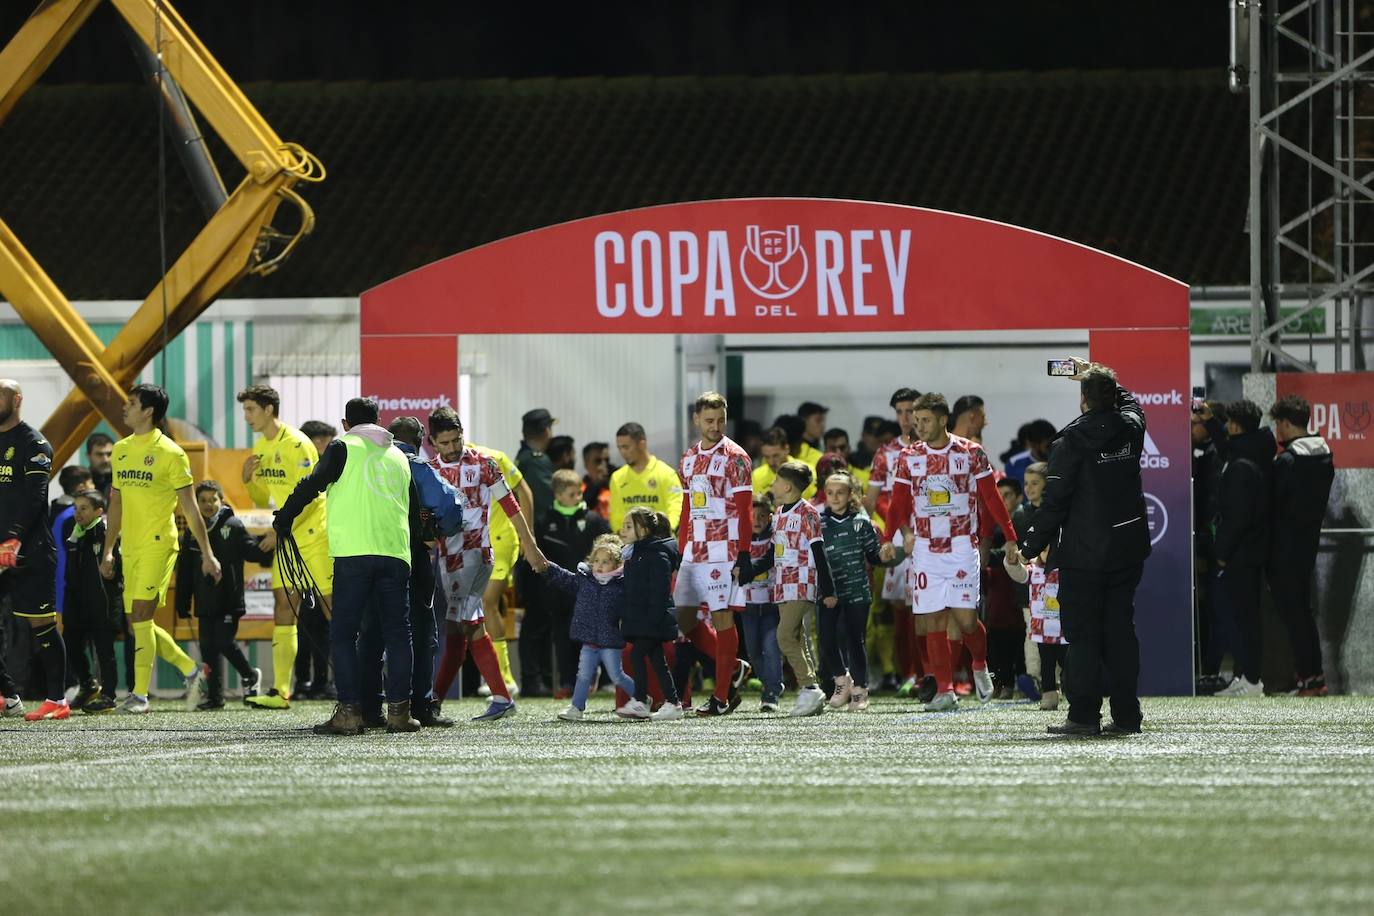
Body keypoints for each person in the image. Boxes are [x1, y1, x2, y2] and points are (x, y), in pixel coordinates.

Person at [1015, 359, 1150, 737]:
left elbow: (1054, 501)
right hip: (1126, 547)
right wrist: (1105, 378)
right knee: (1121, 632)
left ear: (1083, 399)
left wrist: (1030, 546)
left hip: (1083, 553)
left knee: (1084, 636)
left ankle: (1084, 715)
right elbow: (1133, 405)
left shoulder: (1070, 441)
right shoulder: (1131, 427)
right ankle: (1126, 717)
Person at [273, 397, 418, 736]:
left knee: (343, 633)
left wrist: (285, 518)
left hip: (354, 553)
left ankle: (350, 712)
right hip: (396, 553)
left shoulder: (343, 446)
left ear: (345, 423)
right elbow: (412, 509)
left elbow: (312, 484)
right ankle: (400, 713)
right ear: (379, 420)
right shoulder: (399, 454)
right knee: (399, 635)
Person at [884, 392, 1019, 712]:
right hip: (926, 547)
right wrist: (891, 536)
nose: (919, 427)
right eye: (916, 421)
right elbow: (899, 502)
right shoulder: (908, 456)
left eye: (925, 420)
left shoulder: (971, 452)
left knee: (966, 620)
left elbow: (991, 499)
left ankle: (979, 662)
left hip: (961, 545)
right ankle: (945, 690)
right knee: (932, 619)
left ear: (943, 419)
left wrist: (1010, 537)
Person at [102, 383, 218, 715]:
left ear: (149, 411)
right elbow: (116, 504)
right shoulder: (121, 449)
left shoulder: (171, 453)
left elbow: (191, 509)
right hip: (131, 547)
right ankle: (190, 668)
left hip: (159, 544)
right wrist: (109, 550)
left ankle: (138, 695)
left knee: (140, 615)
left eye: (132, 402)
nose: (125, 407)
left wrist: (208, 553)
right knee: (137, 622)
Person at [428, 407, 547, 720]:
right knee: (458, 628)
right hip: (447, 560)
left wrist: (529, 545)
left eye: (457, 439)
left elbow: (511, 505)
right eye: (445, 443)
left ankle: (498, 695)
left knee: (470, 623)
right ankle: (439, 700)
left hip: (476, 555)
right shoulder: (427, 470)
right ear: (432, 442)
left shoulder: (483, 464)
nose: (453, 447)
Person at [357, 416, 466, 728]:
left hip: (364, 553)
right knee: (418, 633)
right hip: (408, 555)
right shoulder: (415, 464)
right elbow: (449, 507)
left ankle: (367, 709)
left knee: (372, 634)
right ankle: (417, 707)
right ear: (420, 441)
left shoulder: (365, 461)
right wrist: (437, 529)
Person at [237, 385, 334, 709]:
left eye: (251, 409)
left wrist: (282, 529)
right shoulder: (261, 445)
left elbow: (312, 494)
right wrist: (249, 480)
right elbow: (263, 500)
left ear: (268, 409)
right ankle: (280, 691)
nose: (247, 416)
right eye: (245, 410)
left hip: (313, 534)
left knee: (332, 609)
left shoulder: (297, 443)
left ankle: (362, 683)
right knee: (283, 606)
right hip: (287, 534)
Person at [674, 390, 753, 716]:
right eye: (709, 420)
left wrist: (745, 553)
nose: (715, 425)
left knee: (722, 619)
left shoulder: (736, 457)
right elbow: (686, 509)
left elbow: (746, 510)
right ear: (696, 419)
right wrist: (680, 552)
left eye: (720, 419)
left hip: (725, 550)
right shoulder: (688, 458)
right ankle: (733, 668)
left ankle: (721, 697)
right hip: (695, 549)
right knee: (682, 619)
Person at [175, 481, 268, 709]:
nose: (208, 505)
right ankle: (215, 697)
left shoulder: (233, 525)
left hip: (229, 597)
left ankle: (250, 675)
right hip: (205, 599)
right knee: (207, 647)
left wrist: (270, 543)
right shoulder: (191, 532)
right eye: (203, 501)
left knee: (224, 641)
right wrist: (183, 600)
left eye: (212, 499)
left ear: (222, 501)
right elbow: (185, 570)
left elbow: (252, 551)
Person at [751, 461, 833, 717]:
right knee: (797, 638)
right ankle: (813, 691)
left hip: (801, 583)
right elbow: (772, 555)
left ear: (786, 486)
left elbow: (819, 552)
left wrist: (828, 589)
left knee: (784, 636)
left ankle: (809, 687)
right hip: (782, 584)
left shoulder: (807, 513)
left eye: (776, 480)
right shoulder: (779, 513)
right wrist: (749, 570)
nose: (773, 484)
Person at [1267, 395, 1335, 696]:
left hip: (1283, 549)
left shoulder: (1288, 462)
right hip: (1308, 545)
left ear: (1284, 422)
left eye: (1277, 425)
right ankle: (1314, 676)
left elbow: (1272, 504)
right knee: (1303, 613)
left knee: (1294, 616)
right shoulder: (1325, 455)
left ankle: (1307, 677)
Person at [817, 469, 901, 712]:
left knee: (855, 640)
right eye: (830, 492)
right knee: (826, 638)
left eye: (840, 493)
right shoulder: (819, 523)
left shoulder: (862, 523)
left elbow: (874, 556)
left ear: (850, 495)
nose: (834, 497)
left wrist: (883, 555)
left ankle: (860, 689)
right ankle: (841, 681)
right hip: (828, 590)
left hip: (857, 591)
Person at [1211, 399, 1275, 698]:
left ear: (1235, 425)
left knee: (1245, 618)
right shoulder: (1252, 454)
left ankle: (1251, 679)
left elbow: (1237, 517)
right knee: (1245, 616)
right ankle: (1246, 676)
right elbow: (1226, 449)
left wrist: (1222, 554)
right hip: (1250, 551)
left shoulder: (1241, 467)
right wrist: (1212, 422)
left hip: (1241, 554)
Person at [539, 533, 637, 721]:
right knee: (583, 676)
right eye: (597, 560)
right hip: (589, 641)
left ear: (617, 565)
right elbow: (564, 578)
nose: (600, 565)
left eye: (606, 561)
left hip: (610, 641)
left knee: (617, 676)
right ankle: (577, 708)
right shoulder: (585, 580)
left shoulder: (622, 585)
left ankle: (641, 697)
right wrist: (547, 568)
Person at [865, 387, 924, 698]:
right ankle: (910, 673)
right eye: (900, 412)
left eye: (910, 411)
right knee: (904, 609)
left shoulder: (937, 448)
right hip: (903, 541)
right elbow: (873, 501)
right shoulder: (886, 453)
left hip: (935, 536)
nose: (905, 418)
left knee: (935, 609)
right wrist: (894, 533)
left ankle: (940, 673)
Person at [538, 469, 611, 699]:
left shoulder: (594, 520)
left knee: (589, 637)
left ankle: (592, 678)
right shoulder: (544, 523)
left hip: (589, 590)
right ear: (558, 495)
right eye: (572, 494)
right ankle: (568, 681)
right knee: (562, 638)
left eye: (579, 494)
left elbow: (610, 548)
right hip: (558, 594)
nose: (578, 498)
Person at [468, 439, 530, 698]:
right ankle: (494, 672)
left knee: (488, 601)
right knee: (474, 607)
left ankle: (504, 677)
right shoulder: (442, 465)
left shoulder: (492, 457)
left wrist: (529, 537)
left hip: (502, 539)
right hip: (472, 545)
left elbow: (523, 491)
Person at [617, 507, 685, 721]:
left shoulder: (655, 554)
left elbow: (660, 589)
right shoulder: (636, 552)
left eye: (629, 526)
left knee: (637, 654)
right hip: (644, 619)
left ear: (644, 530)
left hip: (653, 619)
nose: (623, 530)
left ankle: (640, 699)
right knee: (657, 660)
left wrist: (654, 617)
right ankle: (673, 703)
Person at [62, 489, 122, 713]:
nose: (78, 513)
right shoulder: (74, 533)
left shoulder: (106, 532)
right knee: (70, 641)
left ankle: (109, 695)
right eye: (76, 508)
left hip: (102, 602)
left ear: (99, 511)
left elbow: (116, 568)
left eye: (84, 508)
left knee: (104, 650)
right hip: (78, 602)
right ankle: (88, 684)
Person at [515, 407, 557, 695]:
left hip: (526, 547)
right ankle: (534, 679)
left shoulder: (521, 460)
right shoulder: (537, 463)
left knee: (536, 614)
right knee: (539, 615)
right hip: (537, 547)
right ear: (545, 432)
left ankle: (536, 678)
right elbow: (545, 506)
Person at [1004, 546, 1067, 711]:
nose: (1048, 554)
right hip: (1042, 632)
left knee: (1068, 666)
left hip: (1064, 631)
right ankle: (1049, 695)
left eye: (1051, 551)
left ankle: (1074, 694)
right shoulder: (1034, 571)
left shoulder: (1066, 571)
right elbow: (1019, 574)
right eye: (1045, 551)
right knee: (1046, 665)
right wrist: (1012, 562)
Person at [737, 493, 783, 712]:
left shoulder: (775, 537)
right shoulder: (739, 540)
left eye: (762, 516)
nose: (756, 520)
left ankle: (772, 692)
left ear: (770, 517)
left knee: (771, 647)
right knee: (754, 652)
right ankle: (770, 683)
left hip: (772, 605)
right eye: (752, 516)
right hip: (748, 607)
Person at [985, 477, 1027, 699]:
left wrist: (991, 555)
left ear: (1019, 497)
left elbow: (1012, 553)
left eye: (1008, 495)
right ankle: (1004, 683)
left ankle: (1025, 681)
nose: (1003, 500)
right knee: (998, 635)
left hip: (1019, 585)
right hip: (997, 587)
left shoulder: (1023, 518)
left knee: (1022, 634)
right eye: (999, 497)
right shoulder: (990, 522)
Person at [608, 422, 682, 534]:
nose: (622, 452)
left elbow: (676, 508)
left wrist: (665, 532)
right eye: (620, 448)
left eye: (626, 447)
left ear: (642, 444)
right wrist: (624, 535)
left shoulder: (667, 474)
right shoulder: (617, 478)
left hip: (660, 544)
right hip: (630, 546)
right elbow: (616, 517)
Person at [51, 465, 93, 617]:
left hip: (56, 579)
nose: (93, 488)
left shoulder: (54, 509)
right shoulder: (73, 517)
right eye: (91, 483)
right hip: (70, 582)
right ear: (82, 487)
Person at [1003, 419, 1056, 483]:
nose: (1054, 449)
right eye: (1048, 446)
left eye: (1056, 444)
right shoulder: (1014, 464)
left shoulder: (1063, 460)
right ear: (1033, 445)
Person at [581, 441, 612, 519]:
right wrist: (596, 485)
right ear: (586, 463)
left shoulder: (618, 485)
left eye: (606, 460)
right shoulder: (578, 489)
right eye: (598, 461)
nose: (603, 465)